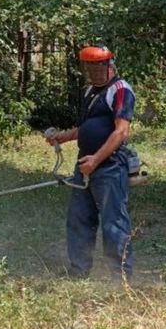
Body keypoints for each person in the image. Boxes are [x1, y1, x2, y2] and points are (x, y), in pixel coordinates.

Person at [45, 45, 135, 279]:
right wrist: (63, 137)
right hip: (84, 165)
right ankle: (78, 271)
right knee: (79, 218)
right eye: (90, 66)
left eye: (99, 66)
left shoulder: (121, 90)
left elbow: (121, 132)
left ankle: (121, 278)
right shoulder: (90, 92)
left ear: (111, 65)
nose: (94, 71)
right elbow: (87, 127)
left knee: (114, 223)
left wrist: (96, 159)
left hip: (109, 167)